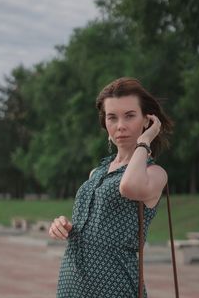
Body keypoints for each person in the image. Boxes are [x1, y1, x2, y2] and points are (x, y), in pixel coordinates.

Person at [48, 77, 173, 298]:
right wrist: (64, 225)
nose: (120, 125)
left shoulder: (154, 174)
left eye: (130, 115)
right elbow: (90, 226)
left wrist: (145, 141)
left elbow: (129, 187)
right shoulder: (96, 173)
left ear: (147, 120)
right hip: (71, 283)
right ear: (105, 122)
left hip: (115, 287)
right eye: (112, 117)